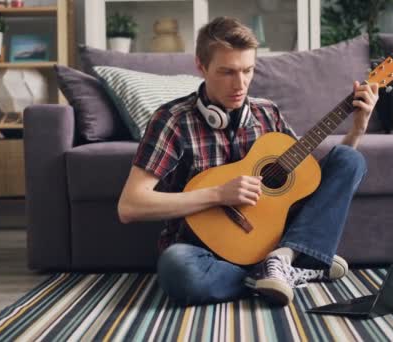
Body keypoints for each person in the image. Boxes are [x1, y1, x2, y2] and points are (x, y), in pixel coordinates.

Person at [118, 16, 379, 306]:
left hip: (273, 240)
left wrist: (358, 128)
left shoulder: (268, 113)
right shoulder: (172, 121)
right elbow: (131, 206)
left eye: (248, 70)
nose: (240, 84)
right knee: (177, 269)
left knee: (349, 159)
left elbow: (307, 183)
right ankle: (289, 270)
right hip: (203, 249)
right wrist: (217, 194)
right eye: (227, 72)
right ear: (201, 67)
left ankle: (284, 261)